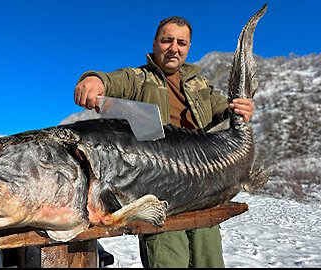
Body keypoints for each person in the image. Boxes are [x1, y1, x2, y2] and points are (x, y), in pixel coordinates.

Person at [73, 16, 254, 268]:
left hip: (205, 187)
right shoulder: (139, 78)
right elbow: (110, 80)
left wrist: (240, 108)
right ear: (156, 43)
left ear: (188, 47)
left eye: (182, 42)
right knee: (169, 260)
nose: (174, 48)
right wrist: (93, 80)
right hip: (159, 194)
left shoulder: (198, 83)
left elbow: (224, 111)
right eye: (167, 40)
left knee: (209, 261)